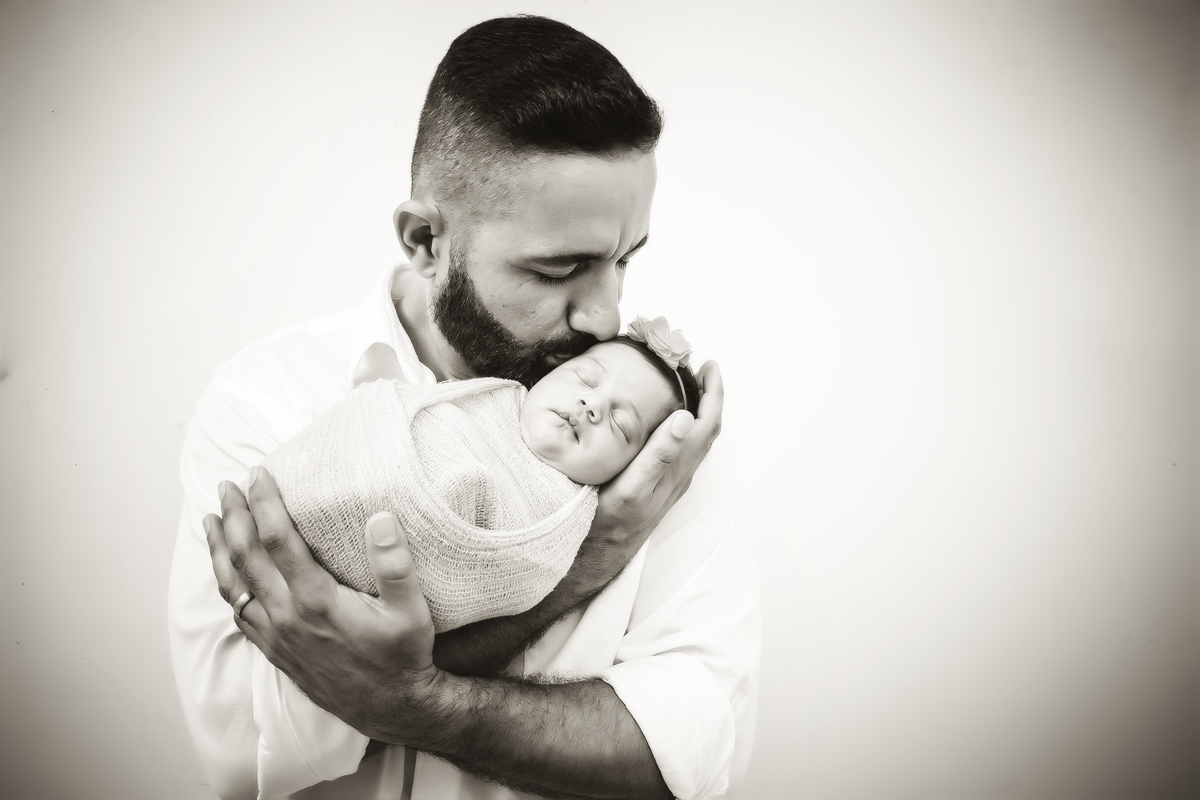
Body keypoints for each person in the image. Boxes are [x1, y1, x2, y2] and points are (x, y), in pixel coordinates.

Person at [168, 15, 760, 800]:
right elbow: (242, 749)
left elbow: (693, 750)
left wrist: (405, 696)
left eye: (623, 260)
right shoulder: (267, 401)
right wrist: (588, 558)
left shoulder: (651, 437)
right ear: (424, 241)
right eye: (560, 268)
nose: (605, 316)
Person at [254, 324, 700, 634]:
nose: (592, 405)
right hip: (304, 483)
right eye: (585, 378)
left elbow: (512, 578)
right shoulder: (490, 395)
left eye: (621, 424)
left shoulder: (560, 516)